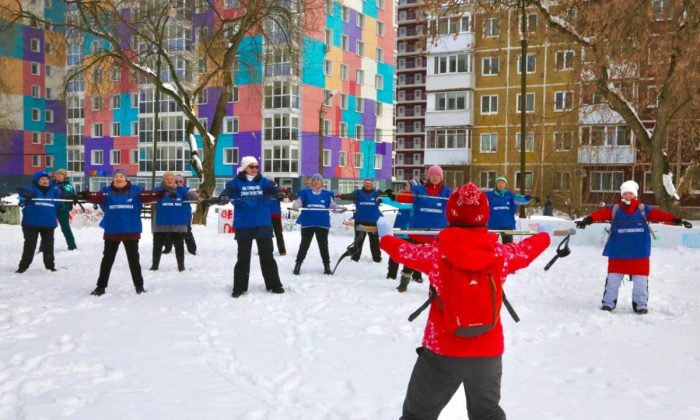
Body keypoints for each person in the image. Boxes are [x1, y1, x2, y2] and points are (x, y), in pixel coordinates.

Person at [378, 182, 551, 419]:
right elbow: (526, 251)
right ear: (484, 216)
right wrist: (544, 236)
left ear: (450, 214)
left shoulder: (437, 253)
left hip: (442, 349)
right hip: (488, 351)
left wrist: (385, 236)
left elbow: (404, 252)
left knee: (417, 415)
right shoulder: (499, 254)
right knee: (487, 414)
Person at [576, 180, 692, 314]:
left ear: (635, 195)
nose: (628, 196)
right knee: (613, 280)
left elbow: (659, 215)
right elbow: (600, 215)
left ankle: (640, 304)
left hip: (639, 252)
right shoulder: (615, 209)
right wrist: (588, 220)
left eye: (630, 193)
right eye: (625, 193)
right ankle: (608, 303)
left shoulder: (643, 209)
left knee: (640, 281)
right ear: (622, 195)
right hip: (618, 251)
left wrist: (677, 220)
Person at [80, 169, 162, 296]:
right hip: (112, 230)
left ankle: (139, 286)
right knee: (107, 259)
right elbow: (96, 198)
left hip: (131, 230)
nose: (119, 179)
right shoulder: (106, 192)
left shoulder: (136, 190)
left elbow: (149, 196)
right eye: (116, 176)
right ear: (113, 179)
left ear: (126, 178)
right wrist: (86, 195)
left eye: (121, 176)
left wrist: (160, 194)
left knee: (134, 260)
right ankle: (100, 287)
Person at [215, 156, 285, 298]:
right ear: (244, 167)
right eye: (251, 166)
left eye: (256, 166)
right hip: (244, 224)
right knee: (243, 257)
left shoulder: (264, 182)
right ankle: (239, 287)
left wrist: (278, 193)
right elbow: (228, 190)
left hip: (262, 223)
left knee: (267, 256)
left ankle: (274, 284)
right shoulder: (236, 182)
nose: (254, 169)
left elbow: (273, 188)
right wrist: (224, 196)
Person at [394, 165, 453, 292]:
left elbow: (456, 206)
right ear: (428, 176)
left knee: (437, 262)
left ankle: (435, 286)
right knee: (411, 258)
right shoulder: (419, 190)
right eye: (432, 175)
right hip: (417, 231)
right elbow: (402, 198)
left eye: (437, 175)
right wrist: (399, 195)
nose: (435, 177)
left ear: (441, 177)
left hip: (438, 234)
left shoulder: (448, 192)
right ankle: (404, 283)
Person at [15, 171, 67, 273]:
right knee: (30, 246)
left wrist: (69, 196)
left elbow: (62, 197)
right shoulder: (31, 188)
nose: (45, 181)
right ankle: (23, 267)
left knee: (49, 246)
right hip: (31, 223)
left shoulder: (54, 190)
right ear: (37, 180)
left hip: (48, 223)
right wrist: (25, 196)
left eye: (47, 179)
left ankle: (50, 266)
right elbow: (23, 193)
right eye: (42, 179)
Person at [150, 172, 199, 272]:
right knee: (157, 246)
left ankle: (181, 266)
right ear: (164, 180)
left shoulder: (181, 190)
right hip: (161, 223)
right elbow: (149, 197)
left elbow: (190, 193)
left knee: (179, 245)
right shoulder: (158, 190)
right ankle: (155, 266)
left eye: (172, 178)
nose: (170, 180)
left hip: (177, 223)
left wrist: (197, 196)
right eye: (167, 178)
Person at [292, 173, 339, 275]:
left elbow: (333, 205)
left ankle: (327, 266)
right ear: (311, 182)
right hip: (308, 222)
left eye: (318, 180)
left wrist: (337, 208)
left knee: (323, 245)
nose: (316, 182)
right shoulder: (305, 193)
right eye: (314, 180)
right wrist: (296, 205)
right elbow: (298, 202)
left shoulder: (327, 194)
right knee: (304, 244)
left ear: (322, 183)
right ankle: (298, 265)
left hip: (322, 223)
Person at [338, 178, 383, 263]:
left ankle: (377, 259)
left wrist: (384, 195)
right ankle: (355, 258)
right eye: (366, 183)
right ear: (363, 184)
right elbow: (350, 196)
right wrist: (342, 196)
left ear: (372, 185)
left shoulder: (377, 193)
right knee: (358, 240)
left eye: (369, 183)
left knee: (374, 241)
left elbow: (387, 197)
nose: (368, 185)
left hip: (373, 222)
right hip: (360, 221)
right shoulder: (358, 193)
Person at [485, 175, 531, 244]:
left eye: (502, 183)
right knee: (491, 245)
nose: (501, 184)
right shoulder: (488, 195)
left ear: (505, 184)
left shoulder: (509, 195)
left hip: (507, 225)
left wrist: (525, 198)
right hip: (493, 225)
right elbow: (478, 198)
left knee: (508, 246)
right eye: (499, 182)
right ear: (496, 184)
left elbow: (519, 199)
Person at [52, 169, 77, 250]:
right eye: (57, 174)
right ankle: (43, 247)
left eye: (61, 174)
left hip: (62, 208)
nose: (59, 176)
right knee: (48, 228)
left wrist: (58, 191)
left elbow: (68, 193)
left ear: (65, 176)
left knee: (65, 228)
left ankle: (72, 246)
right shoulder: (51, 184)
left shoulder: (67, 185)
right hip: (51, 208)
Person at [270, 188, 287, 256]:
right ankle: (266, 249)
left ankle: (282, 250)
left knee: (278, 233)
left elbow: (282, 197)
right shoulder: (262, 189)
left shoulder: (276, 190)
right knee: (266, 234)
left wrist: (281, 195)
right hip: (265, 215)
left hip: (275, 214)